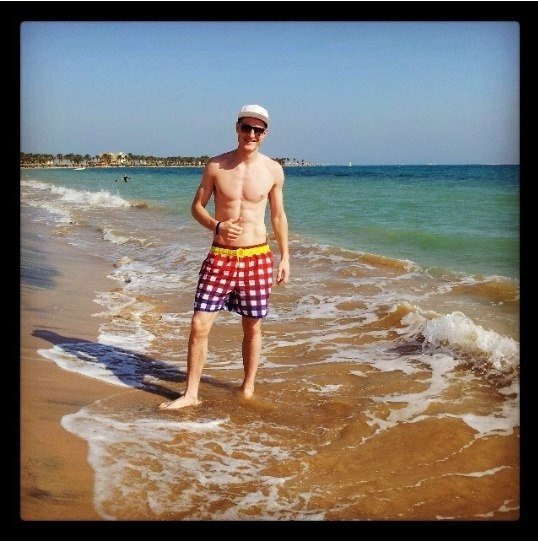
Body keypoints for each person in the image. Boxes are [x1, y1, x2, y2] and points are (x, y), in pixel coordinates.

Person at [159, 104, 289, 409]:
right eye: (247, 128)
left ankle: (247, 387)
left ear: (265, 134)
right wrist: (216, 226)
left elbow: (278, 216)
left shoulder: (273, 170)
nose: (251, 134)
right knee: (199, 324)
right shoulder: (216, 166)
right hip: (221, 256)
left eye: (258, 130)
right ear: (237, 128)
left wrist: (285, 257)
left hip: (257, 257)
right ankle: (191, 394)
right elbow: (196, 207)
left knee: (252, 326)